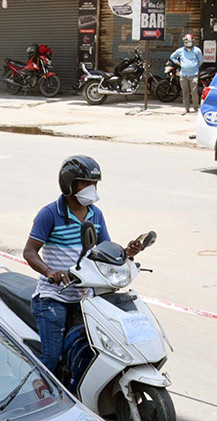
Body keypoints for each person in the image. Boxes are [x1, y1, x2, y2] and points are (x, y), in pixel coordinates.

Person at [21, 155, 142, 376]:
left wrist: (127, 253)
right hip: (53, 297)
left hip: (86, 297)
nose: (91, 189)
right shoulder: (50, 214)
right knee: (52, 357)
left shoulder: (96, 214)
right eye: (85, 183)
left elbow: (104, 250)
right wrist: (50, 272)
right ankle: (37, 392)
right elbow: (29, 252)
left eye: (93, 184)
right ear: (69, 184)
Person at [169, 33, 204, 115]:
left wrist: (194, 67)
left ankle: (196, 108)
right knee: (185, 92)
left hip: (194, 75)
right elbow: (172, 57)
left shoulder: (197, 50)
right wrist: (178, 63)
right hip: (183, 75)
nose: (188, 44)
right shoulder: (180, 50)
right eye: (186, 42)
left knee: (194, 92)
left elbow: (200, 61)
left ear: (192, 42)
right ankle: (186, 108)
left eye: (189, 42)